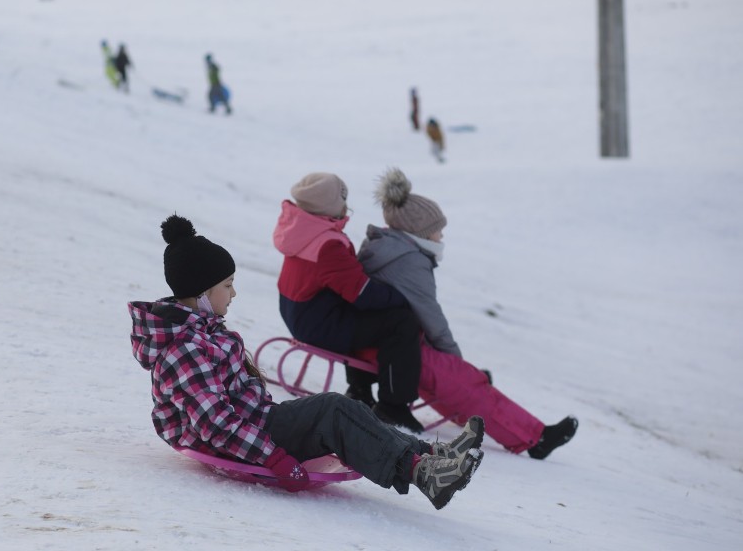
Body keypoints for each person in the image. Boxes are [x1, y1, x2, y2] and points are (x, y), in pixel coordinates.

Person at [128, 213, 485, 509]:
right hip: (242, 438)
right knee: (333, 411)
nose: (233, 293)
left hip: (258, 422)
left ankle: (434, 456)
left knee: (345, 410)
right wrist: (272, 458)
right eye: (228, 285)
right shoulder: (185, 349)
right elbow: (214, 422)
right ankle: (423, 473)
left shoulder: (202, 332)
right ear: (202, 292)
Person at [357, 169, 579, 459]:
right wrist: (456, 362)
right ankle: (535, 439)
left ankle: (526, 430)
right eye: (438, 228)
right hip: (390, 347)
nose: (442, 234)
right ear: (420, 232)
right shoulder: (409, 261)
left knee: (459, 380)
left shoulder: (385, 247)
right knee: (464, 383)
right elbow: (430, 317)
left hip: (384, 340)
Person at [273, 173, 428, 433]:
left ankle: (360, 390)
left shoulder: (302, 229)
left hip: (299, 313)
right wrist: (402, 298)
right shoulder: (328, 244)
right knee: (401, 322)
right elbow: (361, 293)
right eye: (344, 201)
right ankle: (394, 405)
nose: (347, 207)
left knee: (365, 315)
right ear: (331, 206)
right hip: (318, 323)